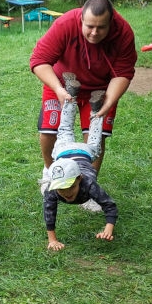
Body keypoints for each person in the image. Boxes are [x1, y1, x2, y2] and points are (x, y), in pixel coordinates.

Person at [30, 0, 136, 212]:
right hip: (61, 83)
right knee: (49, 131)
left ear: (111, 22)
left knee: (96, 138)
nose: (94, 33)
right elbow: (39, 60)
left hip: (99, 90)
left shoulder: (123, 33)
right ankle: (51, 173)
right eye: (89, 27)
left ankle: (87, 185)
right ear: (81, 20)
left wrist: (110, 101)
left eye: (101, 27)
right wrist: (58, 89)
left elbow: (124, 72)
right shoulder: (65, 24)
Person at [43, 75, 117, 250]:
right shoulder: (53, 190)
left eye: (69, 187)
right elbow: (49, 211)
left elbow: (110, 205)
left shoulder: (89, 185)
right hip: (63, 151)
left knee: (93, 143)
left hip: (79, 152)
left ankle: (87, 105)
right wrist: (52, 240)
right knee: (65, 129)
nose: (66, 193)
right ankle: (86, 104)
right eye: (61, 189)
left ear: (79, 179)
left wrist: (108, 229)